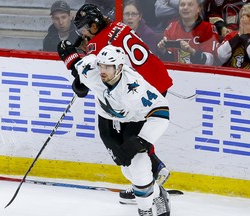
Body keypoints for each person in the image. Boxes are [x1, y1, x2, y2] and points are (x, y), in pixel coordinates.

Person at [65, 3, 173, 205]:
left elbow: (91, 78)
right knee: (133, 135)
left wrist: (72, 60)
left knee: (127, 140)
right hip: (157, 78)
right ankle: (151, 171)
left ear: (95, 25)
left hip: (139, 90)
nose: (83, 33)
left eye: (85, 28)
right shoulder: (118, 25)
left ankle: (150, 182)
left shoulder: (97, 45)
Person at [157, 0, 220, 65]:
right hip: (176, 73)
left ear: (199, 9)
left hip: (200, 74)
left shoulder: (208, 28)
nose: (185, 8)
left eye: (190, 5)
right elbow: (169, 62)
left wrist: (192, 52)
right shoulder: (171, 28)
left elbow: (211, 61)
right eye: (182, 5)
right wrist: (163, 52)